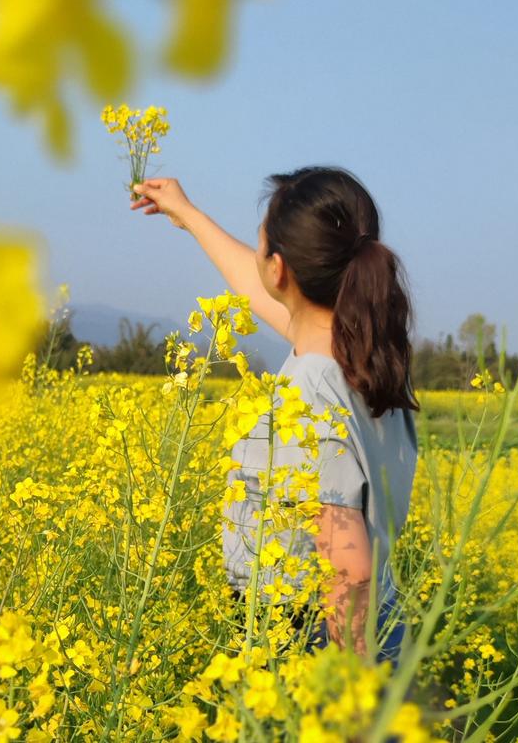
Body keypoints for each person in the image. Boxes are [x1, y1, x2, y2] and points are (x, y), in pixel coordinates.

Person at [130, 166, 420, 668]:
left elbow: (347, 569)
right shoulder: (367, 363)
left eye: (261, 244)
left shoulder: (308, 391)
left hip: (318, 639)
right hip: (378, 620)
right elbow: (263, 287)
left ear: (280, 269)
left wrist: (353, 706)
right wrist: (189, 216)